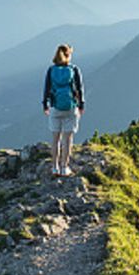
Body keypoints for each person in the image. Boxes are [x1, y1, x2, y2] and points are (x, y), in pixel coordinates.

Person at [42, 44, 84, 177]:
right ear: (68, 55)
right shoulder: (74, 69)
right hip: (70, 108)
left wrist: (45, 105)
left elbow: (47, 89)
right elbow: (80, 88)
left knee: (55, 139)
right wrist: (81, 105)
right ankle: (64, 167)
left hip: (55, 107)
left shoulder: (51, 70)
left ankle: (54, 167)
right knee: (68, 139)